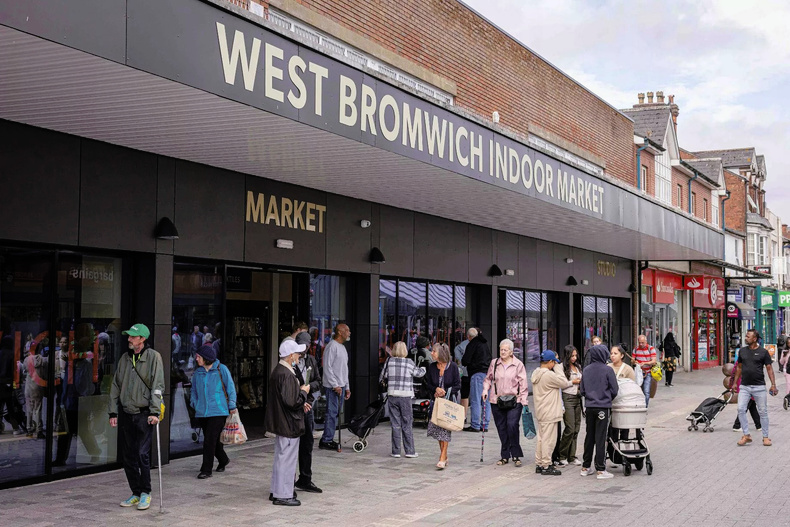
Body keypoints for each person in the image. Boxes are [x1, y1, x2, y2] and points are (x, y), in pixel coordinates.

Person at [108, 324, 164, 511]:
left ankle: (146, 493)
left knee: (142, 454)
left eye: (133, 336)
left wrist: (155, 412)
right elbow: (116, 385)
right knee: (128, 456)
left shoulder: (153, 357)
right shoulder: (125, 358)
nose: (129, 339)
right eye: (129, 336)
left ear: (142, 339)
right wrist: (113, 411)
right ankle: (136, 492)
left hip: (144, 414)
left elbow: (158, 386)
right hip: (126, 413)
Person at [264, 339, 310, 506]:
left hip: (282, 421)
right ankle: (283, 494)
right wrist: (303, 393)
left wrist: (300, 400)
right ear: (291, 356)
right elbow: (291, 402)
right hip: (289, 422)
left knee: (281, 457)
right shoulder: (287, 374)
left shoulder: (279, 371)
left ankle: (277, 490)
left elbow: (286, 399)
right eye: (297, 353)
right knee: (287, 459)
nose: (299, 356)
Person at [190, 344, 236, 479]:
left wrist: (232, 405)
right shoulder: (198, 372)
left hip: (218, 411)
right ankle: (223, 460)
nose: (196, 358)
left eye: (198, 356)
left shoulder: (222, 369)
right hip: (202, 411)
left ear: (206, 358)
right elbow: (193, 390)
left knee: (209, 440)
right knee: (214, 441)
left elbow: (230, 388)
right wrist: (194, 402)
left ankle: (206, 469)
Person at [483, 339, 528, 467]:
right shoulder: (495, 363)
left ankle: (516, 454)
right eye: (501, 349)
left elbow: (523, 384)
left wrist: (524, 401)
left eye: (505, 350)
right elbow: (488, 379)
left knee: (512, 425)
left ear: (511, 351)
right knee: (501, 428)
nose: (502, 352)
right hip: (497, 400)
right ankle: (505, 455)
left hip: (515, 400)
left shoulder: (518, 364)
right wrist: (485, 390)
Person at [379, 341, 426, 459]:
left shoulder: (389, 361)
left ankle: (396, 451)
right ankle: (409, 451)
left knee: (395, 424)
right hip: (405, 396)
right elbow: (418, 373)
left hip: (392, 395)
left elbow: (382, 377)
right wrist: (424, 368)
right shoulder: (409, 362)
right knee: (407, 423)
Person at [580, 344, 618, 479]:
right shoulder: (608, 370)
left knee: (589, 436)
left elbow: (582, 390)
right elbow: (615, 389)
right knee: (600, 437)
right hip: (603, 407)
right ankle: (601, 469)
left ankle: (585, 466)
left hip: (589, 406)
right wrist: (607, 398)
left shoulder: (586, 370)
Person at [530, 350, 572, 475]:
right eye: (554, 362)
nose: (554, 365)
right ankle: (546, 464)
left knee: (541, 439)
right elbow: (564, 383)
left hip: (541, 411)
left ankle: (539, 463)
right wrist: (559, 368)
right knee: (549, 440)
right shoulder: (548, 375)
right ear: (549, 362)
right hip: (550, 411)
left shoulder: (536, 373)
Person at [733, 329, 777, 447]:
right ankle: (746, 435)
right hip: (744, 387)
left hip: (759, 387)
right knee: (741, 409)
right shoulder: (742, 351)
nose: (746, 338)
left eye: (748, 336)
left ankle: (765, 437)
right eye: (746, 336)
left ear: (754, 339)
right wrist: (734, 383)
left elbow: (769, 369)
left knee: (763, 412)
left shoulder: (763, 352)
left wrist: (773, 385)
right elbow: (739, 368)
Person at [294, 331, 324, 493]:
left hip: (307, 406)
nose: (304, 349)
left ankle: (305, 478)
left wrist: (308, 389)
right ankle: (288, 480)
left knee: (307, 444)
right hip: (293, 407)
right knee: (292, 444)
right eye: (302, 345)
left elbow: (318, 381)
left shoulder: (311, 360)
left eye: (307, 345)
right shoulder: (290, 361)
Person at [425, 343, 461, 469]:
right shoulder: (432, 367)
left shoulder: (453, 367)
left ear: (441, 353)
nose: (432, 353)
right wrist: (435, 389)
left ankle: (442, 457)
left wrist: (446, 391)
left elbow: (458, 384)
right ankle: (444, 456)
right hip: (436, 403)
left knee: (445, 430)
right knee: (438, 430)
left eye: (434, 351)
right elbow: (428, 384)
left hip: (448, 402)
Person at [319, 323, 351, 451]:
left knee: (335, 412)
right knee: (331, 412)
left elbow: (344, 369)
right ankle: (327, 439)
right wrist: (335, 385)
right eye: (347, 330)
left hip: (341, 385)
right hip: (333, 386)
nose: (349, 333)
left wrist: (347, 386)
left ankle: (327, 437)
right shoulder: (332, 347)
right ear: (339, 332)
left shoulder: (342, 348)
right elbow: (327, 367)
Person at [462, 328, 492, 433]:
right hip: (487, 374)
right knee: (486, 400)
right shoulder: (485, 343)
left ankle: (475, 424)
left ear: (469, 337)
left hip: (477, 374)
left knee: (475, 400)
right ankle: (485, 424)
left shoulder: (472, 344)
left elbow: (465, 360)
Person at [558, 345, 583, 466]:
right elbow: (561, 384)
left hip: (578, 397)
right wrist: (573, 381)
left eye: (575, 355)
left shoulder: (578, 366)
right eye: (572, 355)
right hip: (567, 397)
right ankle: (562, 454)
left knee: (576, 428)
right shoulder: (562, 367)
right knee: (570, 428)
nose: (574, 358)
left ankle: (571, 456)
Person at [632, 335, 657, 407]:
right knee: (638, 391)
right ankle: (638, 405)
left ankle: (645, 407)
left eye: (642, 343)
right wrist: (634, 361)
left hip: (648, 372)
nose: (641, 344)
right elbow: (633, 359)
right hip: (638, 373)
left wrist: (645, 363)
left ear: (646, 342)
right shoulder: (636, 349)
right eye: (639, 342)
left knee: (646, 391)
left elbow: (654, 361)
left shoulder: (651, 349)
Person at [453, 335, 470, 425]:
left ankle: (463, 416)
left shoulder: (463, 345)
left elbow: (456, 351)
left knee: (464, 395)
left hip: (465, 372)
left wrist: (461, 363)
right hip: (472, 373)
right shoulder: (480, 344)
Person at [779, 343, 790, 410]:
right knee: (789, 385)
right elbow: (781, 362)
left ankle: (787, 399)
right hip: (787, 370)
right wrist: (783, 356)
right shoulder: (785, 351)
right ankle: (787, 399)